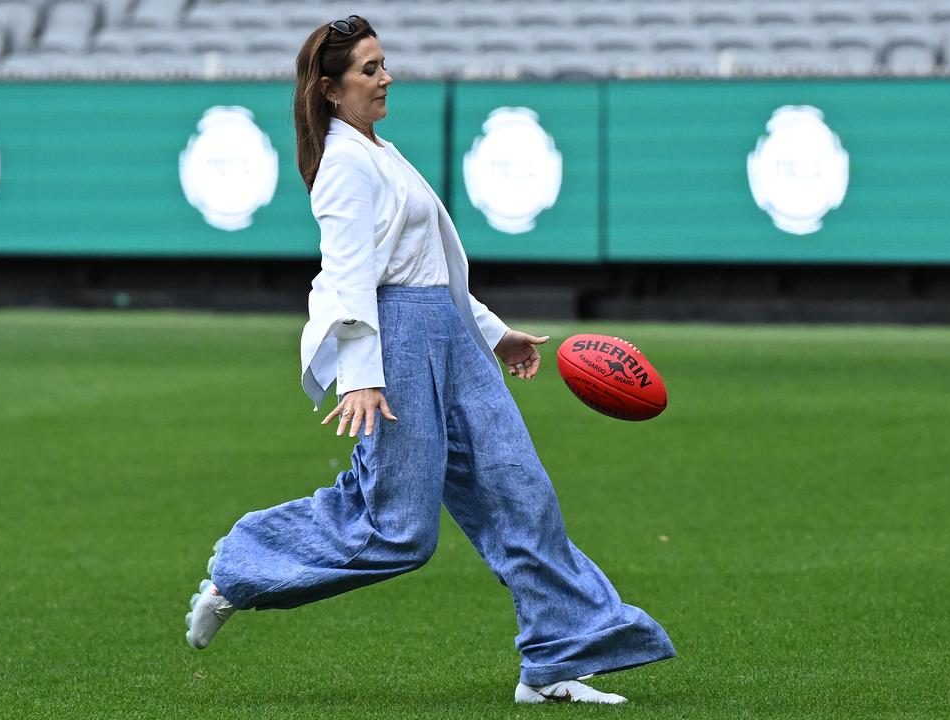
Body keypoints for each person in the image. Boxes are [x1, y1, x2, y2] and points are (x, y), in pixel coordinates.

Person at [184, 16, 675, 705]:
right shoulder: (343, 167)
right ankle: (239, 571)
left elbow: (429, 268)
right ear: (329, 89)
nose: (386, 78)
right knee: (396, 532)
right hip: (396, 343)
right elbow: (350, 276)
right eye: (369, 69)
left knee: (519, 492)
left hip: (444, 332)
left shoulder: (380, 151)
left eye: (385, 65)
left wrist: (492, 332)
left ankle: (555, 661)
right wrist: (361, 376)